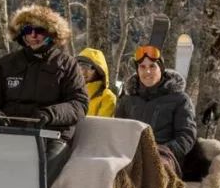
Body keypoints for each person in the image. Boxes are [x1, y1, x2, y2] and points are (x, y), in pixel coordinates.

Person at [0, 5, 88, 185]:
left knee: (36, 178)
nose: (33, 35)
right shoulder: (7, 64)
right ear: (21, 34)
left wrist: (49, 114)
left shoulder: (67, 65)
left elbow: (79, 104)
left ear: (51, 33)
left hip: (52, 136)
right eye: (28, 30)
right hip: (11, 134)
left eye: (39, 30)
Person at [115, 44, 197, 176]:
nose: (147, 71)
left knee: (153, 171)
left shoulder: (180, 99)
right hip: (130, 154)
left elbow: (186, 136)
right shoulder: (128, 100)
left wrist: (164, 151)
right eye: (142, 67)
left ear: (161, 69)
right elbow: (117, 130)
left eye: (152, 66)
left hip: (164, 158)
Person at [77, 48, 117, 118]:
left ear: (99, 71)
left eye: (88, 67)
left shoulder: (107, 97)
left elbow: (101, 126)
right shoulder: (72, 93)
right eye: (80, 66)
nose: (83, 72)